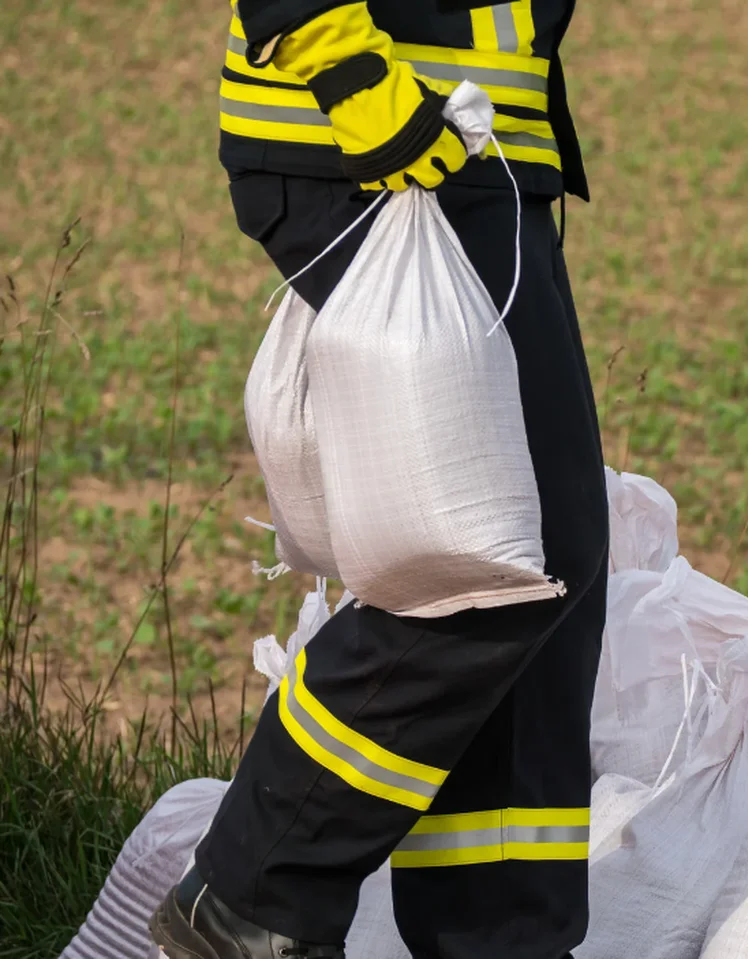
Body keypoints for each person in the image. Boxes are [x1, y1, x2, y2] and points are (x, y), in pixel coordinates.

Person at [148, 2, 608, 957]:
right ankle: (251, 889)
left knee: (548, 576)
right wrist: (358, 84)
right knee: (491, 564)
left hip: (472, 150)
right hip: (381, 143)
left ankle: (498, 938)